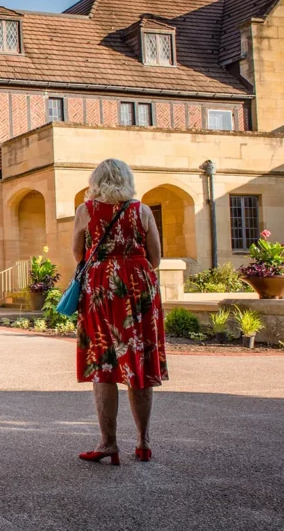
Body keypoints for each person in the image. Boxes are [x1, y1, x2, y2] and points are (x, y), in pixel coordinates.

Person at [73, 158, 167, 466]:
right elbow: (155, 258)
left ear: (96, 181)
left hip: (101, 288)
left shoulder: (86, 211)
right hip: (139, 289)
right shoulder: (142, 211)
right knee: (137, 362)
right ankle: (143, 443)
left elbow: (78, 253)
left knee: (104, 364)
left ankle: (108, 443)